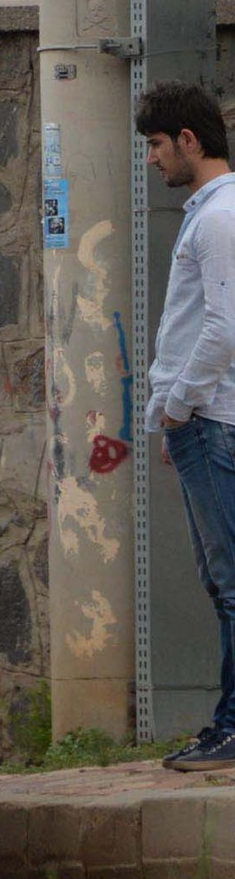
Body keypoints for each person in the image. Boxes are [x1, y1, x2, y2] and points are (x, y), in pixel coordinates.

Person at [140, 81, 235, 771]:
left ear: (189, 141)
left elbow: (224, 326)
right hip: (200, 422)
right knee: (221, 579)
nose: (152, 159)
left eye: (156, 144)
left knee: (231, 582)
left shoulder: (220, 217)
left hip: (208, 420)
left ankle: (232, 728)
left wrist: (178, 405)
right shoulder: (213, 213)